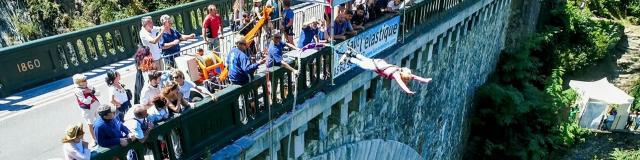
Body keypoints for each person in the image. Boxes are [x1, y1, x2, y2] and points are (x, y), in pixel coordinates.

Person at [338, 51, 432, 95]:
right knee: (364, 64)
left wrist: (425, 80)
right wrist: (407, 90)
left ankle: (352, 53)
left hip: (380, 63)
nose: (405, 79)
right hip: (378, 66)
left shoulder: (400, 71)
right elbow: (401, 84)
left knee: (365, 59)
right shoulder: (396, 74)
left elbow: (414, 77)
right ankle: (349, 58)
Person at [72, 74, 98, 145]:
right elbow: (83, 100)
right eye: (83, 80)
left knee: (100, 120)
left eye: (85, 80)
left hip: (96, 105)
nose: (86, 81)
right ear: (78, 82)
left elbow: (98, 93)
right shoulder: (77, 90)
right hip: (87, 109)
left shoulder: (88, 86)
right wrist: (90, 98)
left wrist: (91, 91)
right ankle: (94, 139)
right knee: (90, 124)